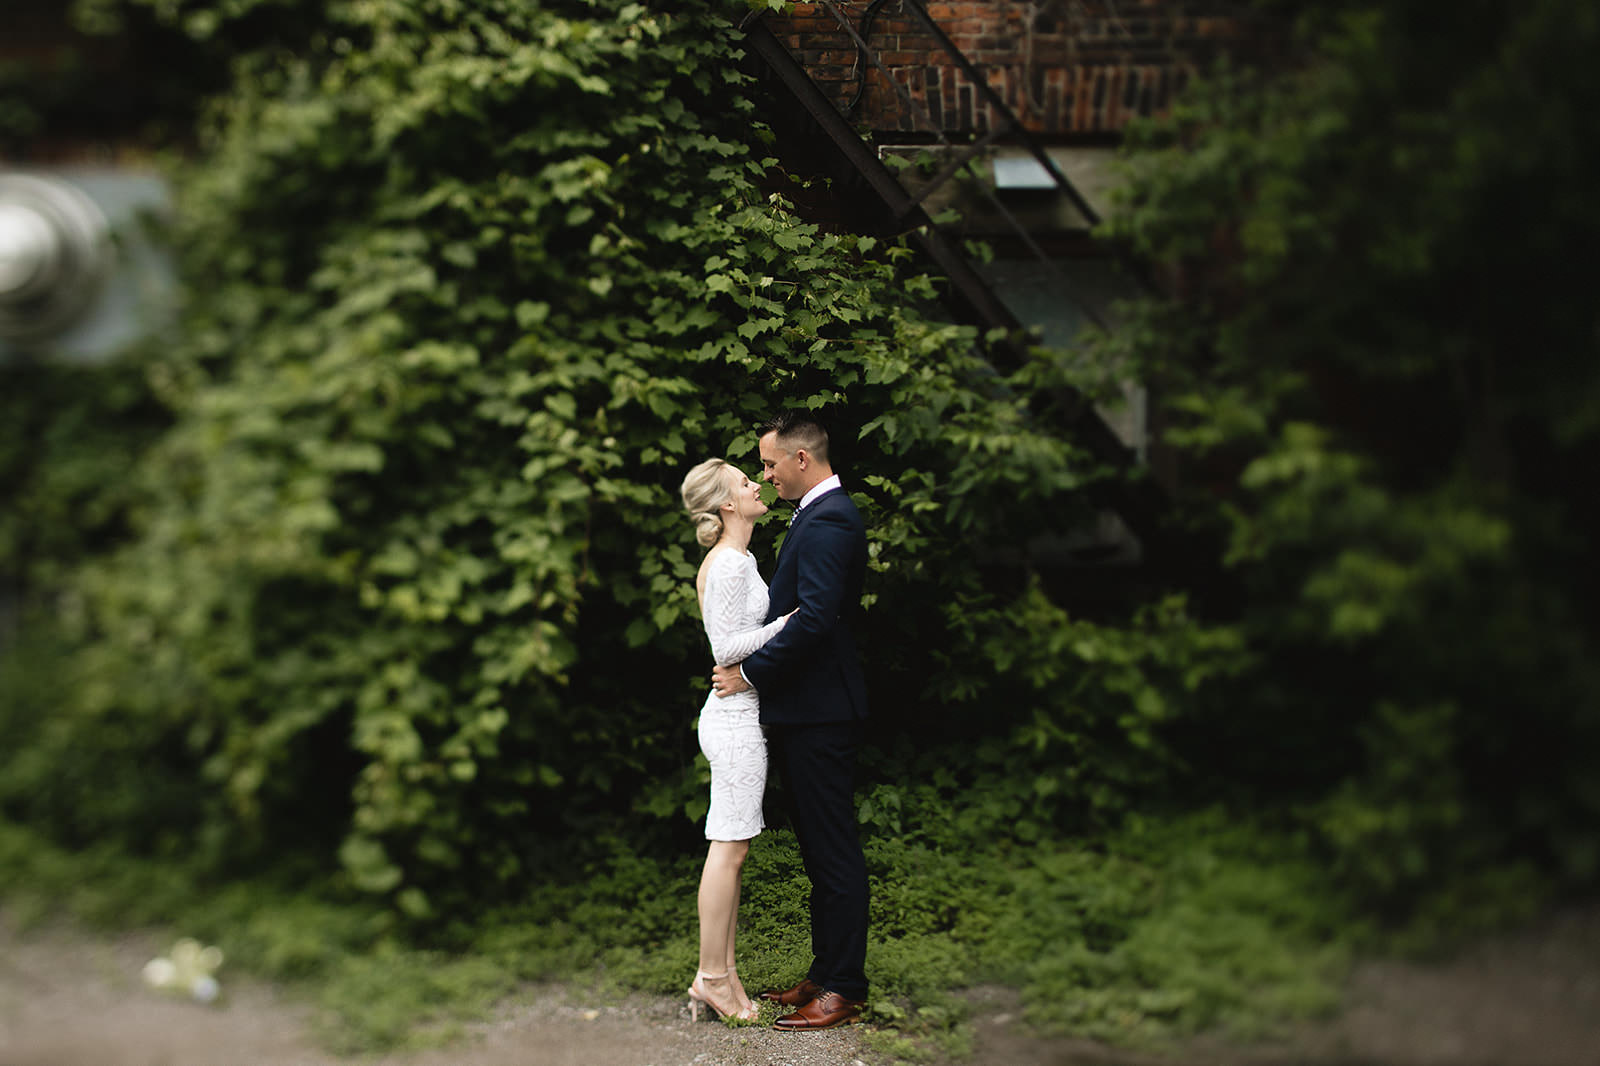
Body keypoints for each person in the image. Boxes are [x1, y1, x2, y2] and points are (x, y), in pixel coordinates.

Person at [710, 412, 870, 1031]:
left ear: (802, 460)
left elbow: (815, 618)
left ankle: (845, 987)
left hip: (822, 711)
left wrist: (749, 676)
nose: (767, 474)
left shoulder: (830, 518)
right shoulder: (815, 512)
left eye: (772, 463)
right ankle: (825, 971)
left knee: (833, 851)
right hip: (807, 709)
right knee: (817, 849)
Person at [678, 457, 790, 1023]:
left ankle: (720, 974)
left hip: (739, 714)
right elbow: (727, 648)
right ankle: (713, 978)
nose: (757, 486)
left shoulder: (739, 559)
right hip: (733, 720)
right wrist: (793, 621)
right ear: (727, 505)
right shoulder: (726, 565)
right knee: (729, 848)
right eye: (746, 483)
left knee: (734, 848)